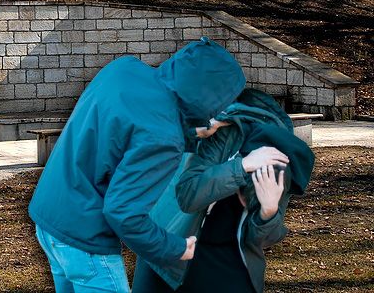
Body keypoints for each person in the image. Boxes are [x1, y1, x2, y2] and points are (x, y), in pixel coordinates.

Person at [29, 37, 247, 293]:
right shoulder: (164, 137)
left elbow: (134, 129)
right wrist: (177, 249)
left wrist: (193, 133)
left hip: (49, 219)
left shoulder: (123, 68)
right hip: (84, 238)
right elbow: (124, 214)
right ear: (214, 96)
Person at [131, 88, 315, 293]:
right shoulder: (213, 133)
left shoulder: (278, 162)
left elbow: (262, 239)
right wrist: (242, 166)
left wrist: (268, 212)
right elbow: (189, 196)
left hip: (227, 266)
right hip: (168, 248)